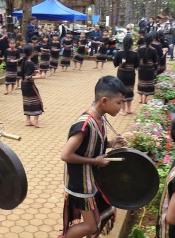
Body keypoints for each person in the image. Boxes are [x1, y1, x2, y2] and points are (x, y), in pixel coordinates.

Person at [59, 75, 128, 238]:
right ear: (104, 101)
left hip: (91, 179)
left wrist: (111, 144)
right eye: (119, 103)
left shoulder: (100, 118)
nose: (120, 107)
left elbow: (94, 144)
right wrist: (94, 161)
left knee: (97, 222)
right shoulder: (85, 124)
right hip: (80, 183)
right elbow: (66, 155)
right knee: (91, 227)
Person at [113, 35, 139, 115]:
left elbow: (115, 65)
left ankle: (123, 110)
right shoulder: (135, 53)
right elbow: (137, 66)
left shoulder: (119, 52)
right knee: (130, 90)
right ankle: (129, 109)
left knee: (122, 92)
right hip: (130, 75)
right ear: (132, 43)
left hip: (121, 74)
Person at [20, 44, 45, 128]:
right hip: (29, 85)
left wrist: (35, 71)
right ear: (31, 52)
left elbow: (26, 72)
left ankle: (28, 120)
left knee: (27, 101)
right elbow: (28, 77)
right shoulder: (30, 63)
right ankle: (36, 121)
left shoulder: (24, 61)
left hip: (23, 84)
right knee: (36, 100)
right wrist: (40, 77)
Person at [137, 33, 159, 104]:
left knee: (141, 82)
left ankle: (140, 99)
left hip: (141, 68)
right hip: (150, 69)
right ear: (152, 40)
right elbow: (156, 62)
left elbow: (137, 59)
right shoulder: (153, 50)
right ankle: (144, 100)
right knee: (148, 84)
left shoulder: (140, 49)